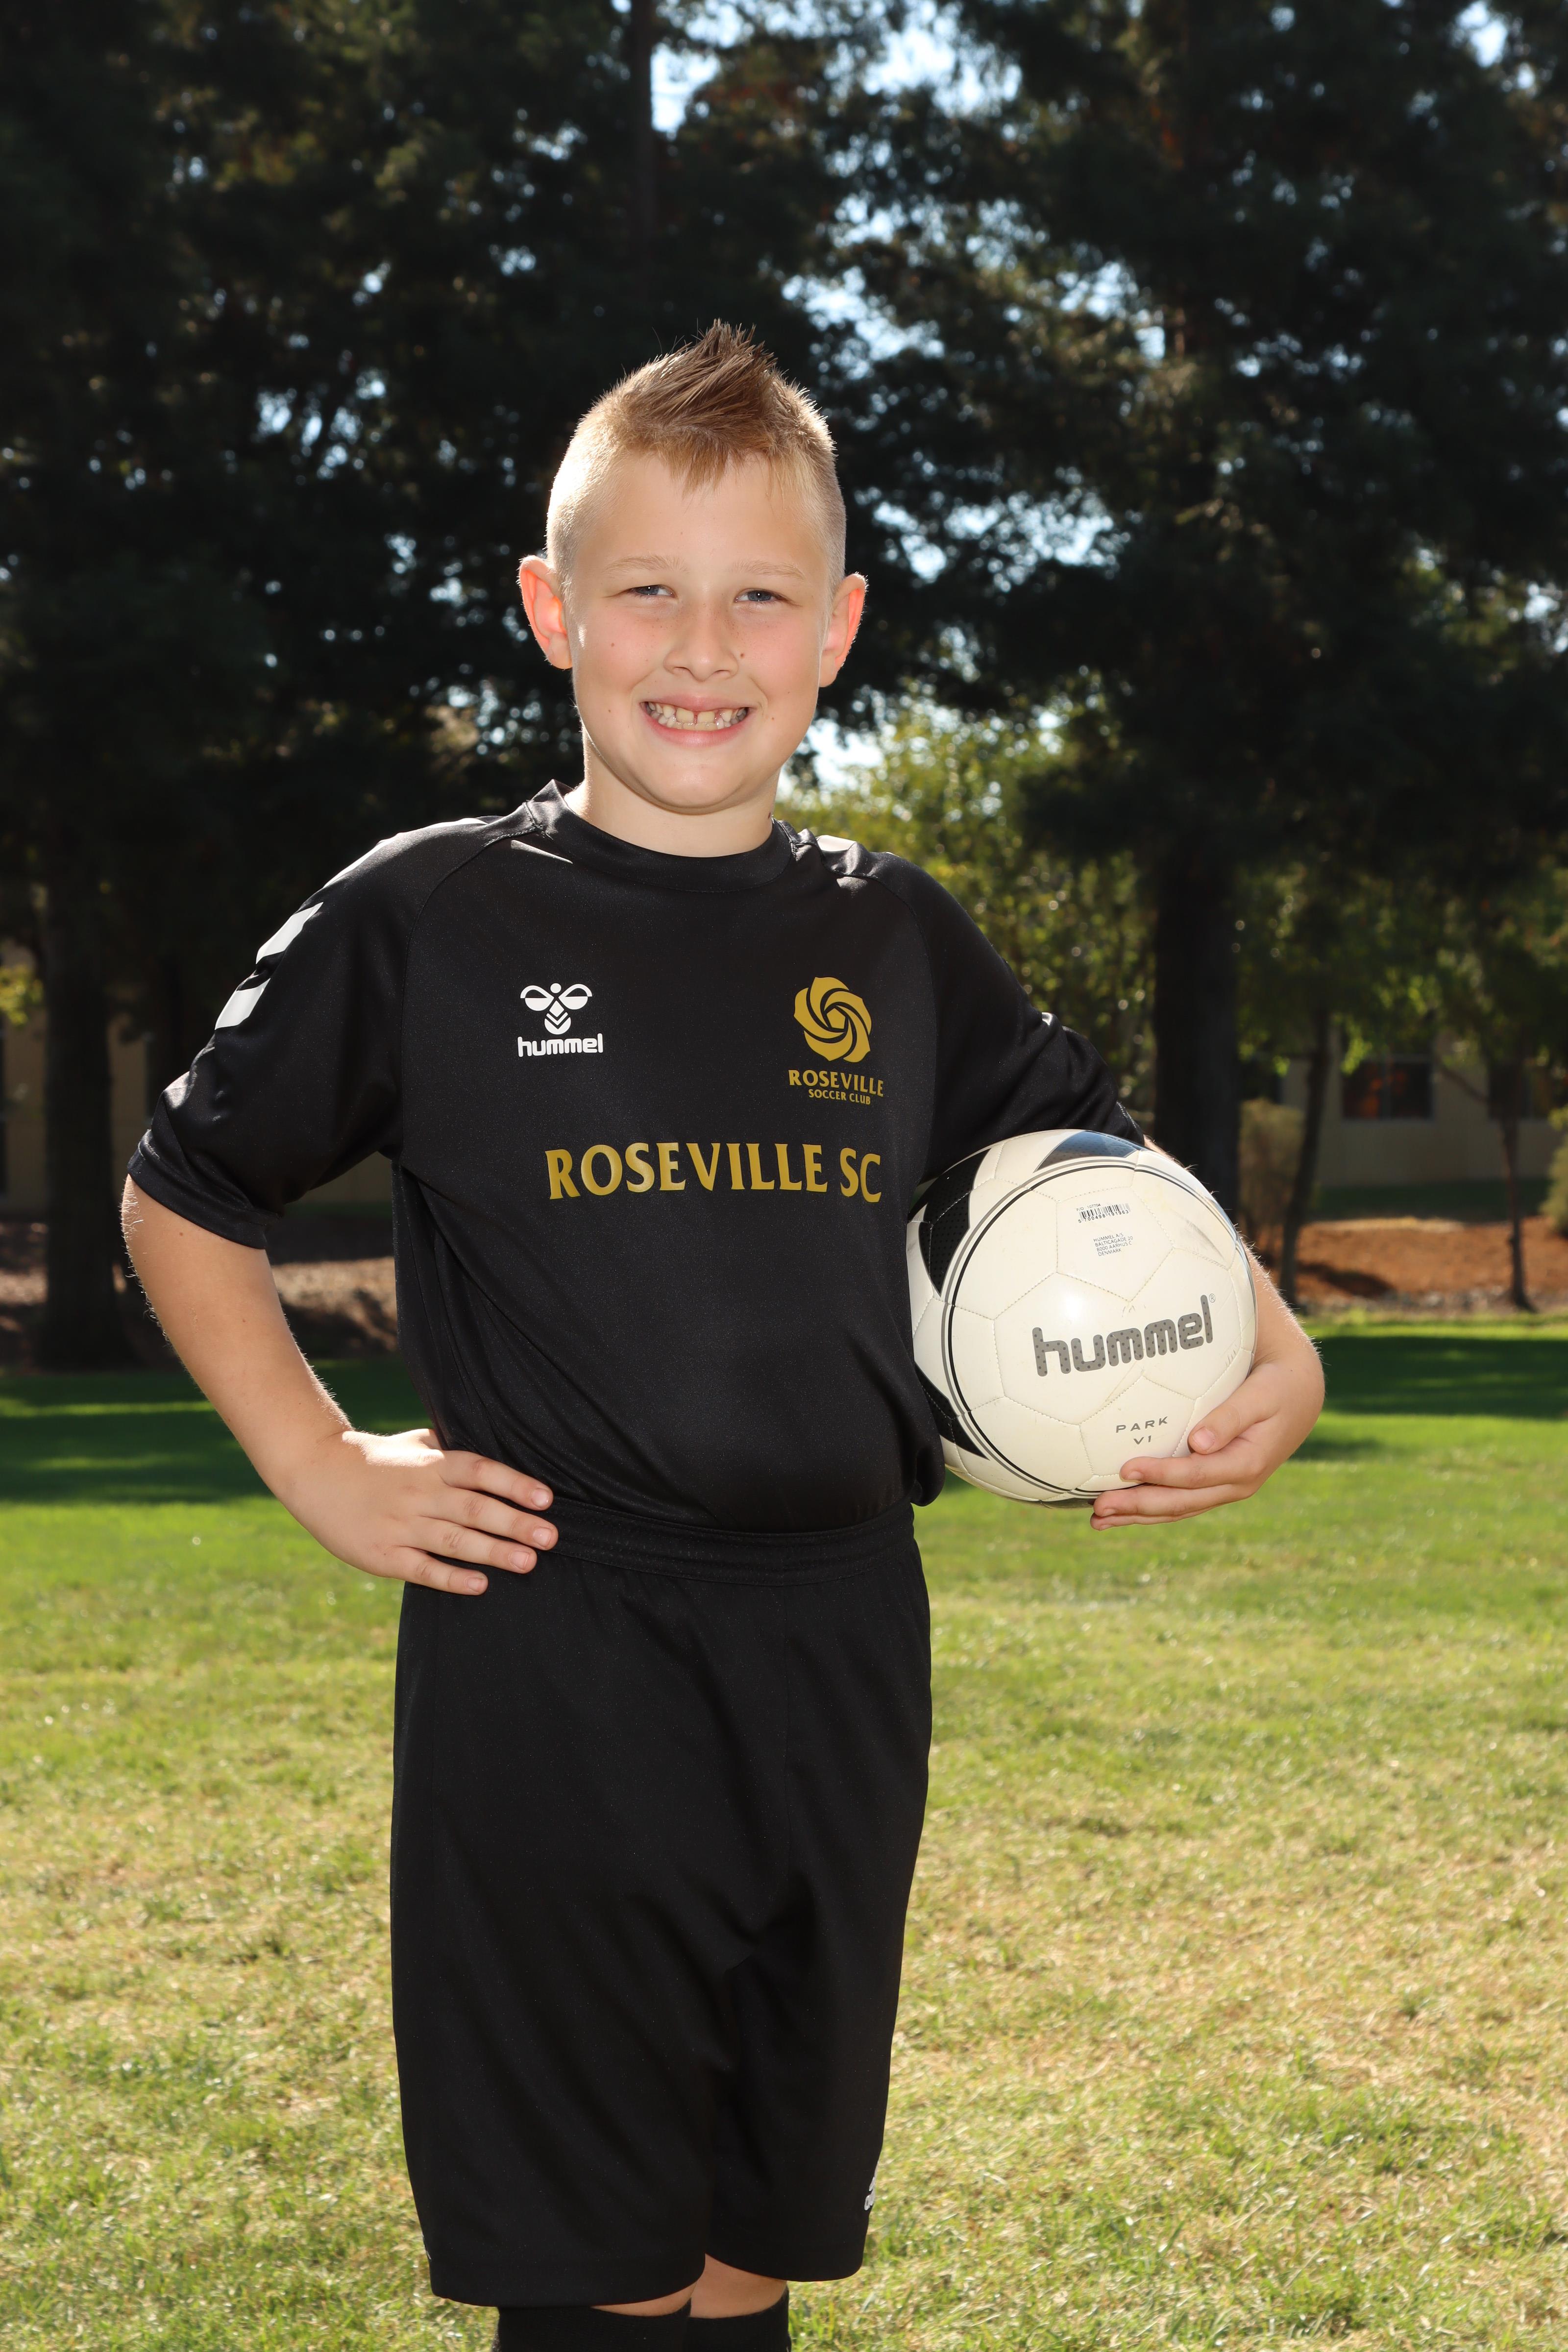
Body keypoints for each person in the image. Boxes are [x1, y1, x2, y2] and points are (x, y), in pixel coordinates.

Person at [122, 324, 1324, 2351]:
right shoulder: (433, 915)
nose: (702, 647)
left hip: (842, 1640)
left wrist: (1280, 1361)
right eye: (648, 592)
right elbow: (186, 1189)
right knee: (597, 2262)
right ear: (552, 614)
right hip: (561, 1645)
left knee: (750, 2240)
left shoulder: (893, 934)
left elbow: (1104, 1170)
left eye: (760, 595)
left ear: (835, 630)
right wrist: (319, 1462)